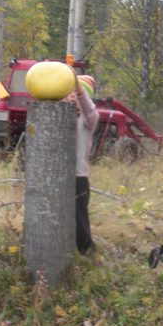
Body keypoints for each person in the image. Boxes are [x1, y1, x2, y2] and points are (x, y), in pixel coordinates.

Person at [66, 73, 99, 256]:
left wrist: (79, 92)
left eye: (76, 94)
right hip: (60, 176)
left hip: (79, 177)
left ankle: (86, 252)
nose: (72, 97)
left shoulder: (89, 119)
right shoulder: (61, 115)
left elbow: (89, 110)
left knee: (79, 218)